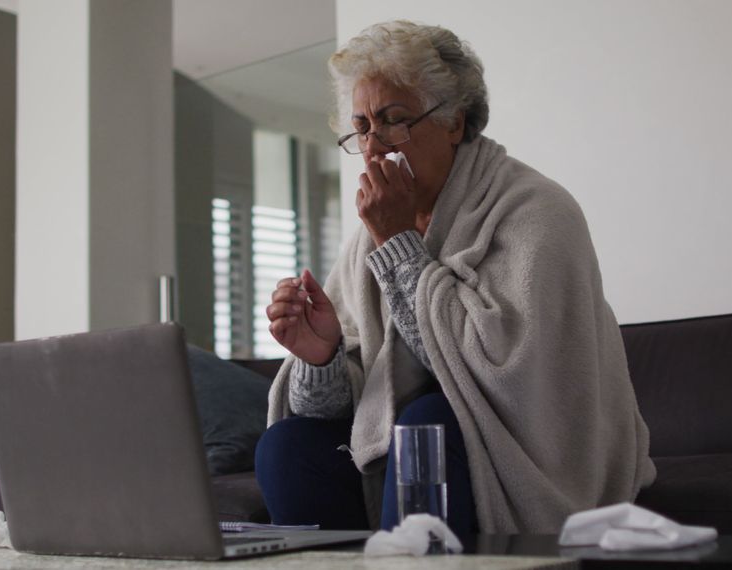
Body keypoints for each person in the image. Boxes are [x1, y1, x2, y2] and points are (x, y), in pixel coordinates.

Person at [255, 20, 655, 537]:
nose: (373, 147)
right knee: (287, 445)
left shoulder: (536, 210)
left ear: (453, 121)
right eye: (361, 127)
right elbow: (350, 411)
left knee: (427, 423)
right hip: (422, 442)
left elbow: (500, 379)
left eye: (393, 121)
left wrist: (399, 244)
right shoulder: (368, 236)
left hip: (531, 454)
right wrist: (323, 357)